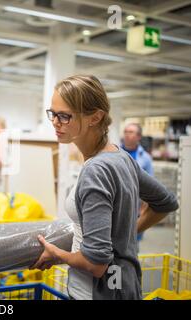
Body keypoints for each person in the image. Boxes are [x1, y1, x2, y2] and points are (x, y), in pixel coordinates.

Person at [30, 75, 178, 300]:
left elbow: (96, 263)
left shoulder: (96, 170)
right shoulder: (121, 157)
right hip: (123, 284)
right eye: (53, 113)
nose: (55, 122)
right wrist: (125, 234)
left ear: (95, 117)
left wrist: (57, 254)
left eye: (64, 116)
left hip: (98, 291)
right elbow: (166, 202)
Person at [122, 123, 154, 247]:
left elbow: (150, 183)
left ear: (139, 136)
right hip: (117, 202)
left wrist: (145, 207)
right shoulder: (114, 152)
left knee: (133, 243)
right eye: (125, 132)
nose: (127, 135)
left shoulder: (145, 158)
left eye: (131, 132)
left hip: (136, 206)